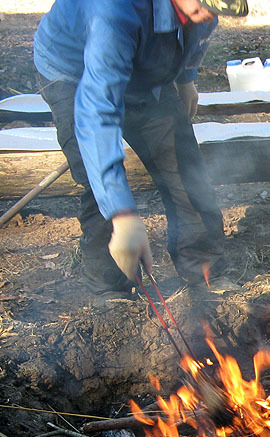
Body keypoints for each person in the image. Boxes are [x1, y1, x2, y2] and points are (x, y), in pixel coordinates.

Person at [33, 0, 248, 304]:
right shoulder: (114, 10)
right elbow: (98, 111)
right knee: (98, 179)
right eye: (203, 5)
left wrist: (186, 78)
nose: (211, 15)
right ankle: (111, 288)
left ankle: (203, 267)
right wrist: (122, 214)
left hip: (144, 75)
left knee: (184, 166)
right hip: (75, 72)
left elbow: (198, 34)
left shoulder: (201, 9)